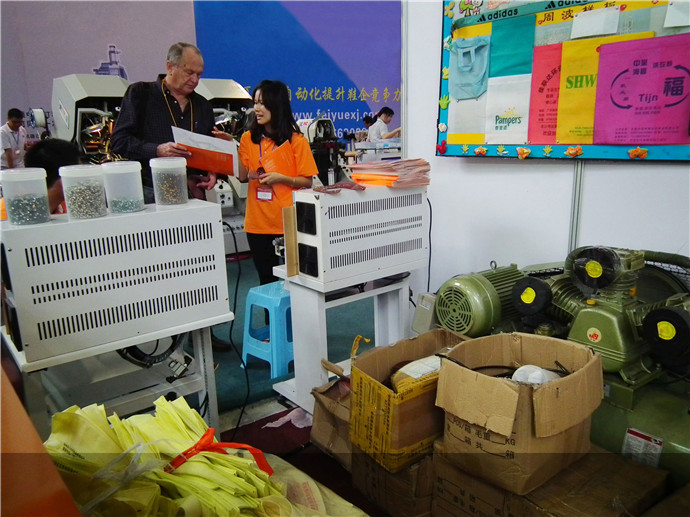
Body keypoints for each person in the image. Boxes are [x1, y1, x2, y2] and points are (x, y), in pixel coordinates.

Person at [232, 80, 319, 285]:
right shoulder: (247, 139)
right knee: (267, 281)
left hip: (288, 222)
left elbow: (307, 181)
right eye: (255, 102)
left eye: (263, 103)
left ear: (276, 105)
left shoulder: (296, 141)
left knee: (297, 282)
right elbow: (242, 176)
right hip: (257, 224)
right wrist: (230, 146)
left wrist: (281, 178)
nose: (257, 108)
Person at [111, 42, 218, 203]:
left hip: (191, 193)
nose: (195, 80)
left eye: (199, 74)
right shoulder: (140, 94)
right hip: (148, 192)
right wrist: (156, 150)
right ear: (170, 67)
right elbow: (119, 142)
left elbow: (210, 148)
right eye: (189, 73)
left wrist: (212, 171)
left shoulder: (203, 105)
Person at [0, 138, 82, 220]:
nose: (83, 183)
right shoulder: (8, 214)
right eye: (79, 174)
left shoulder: (68, 206)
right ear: (64, 180)